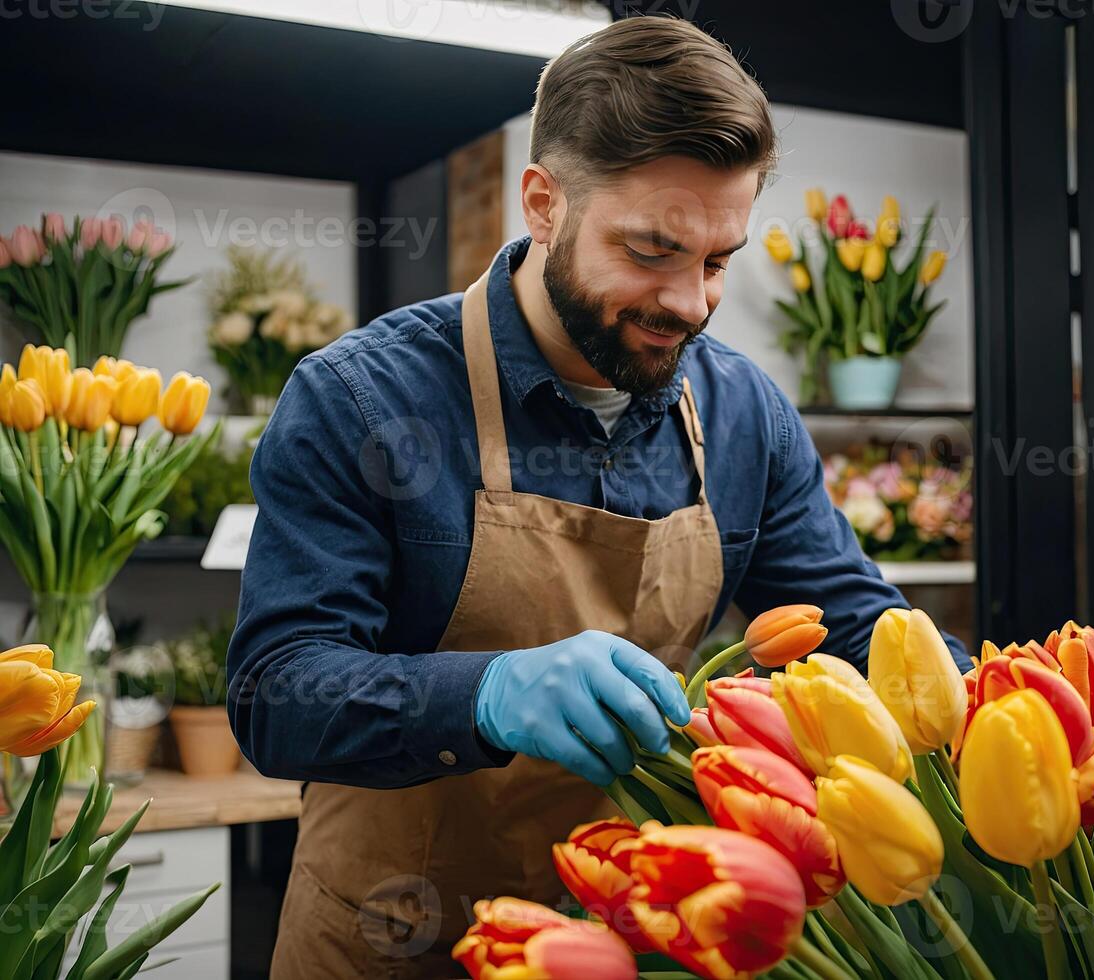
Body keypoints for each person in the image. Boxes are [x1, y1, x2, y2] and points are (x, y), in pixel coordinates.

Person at [229, 14, 970, 978]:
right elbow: (275, 692)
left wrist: (997, 704)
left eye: (716, 262)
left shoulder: (744, 412)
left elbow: (854, 625)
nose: (691, 303)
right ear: (544, 204)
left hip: (634, 936)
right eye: (652, 251)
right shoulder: (363, 398)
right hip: (395, 936)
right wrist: (487, 693)